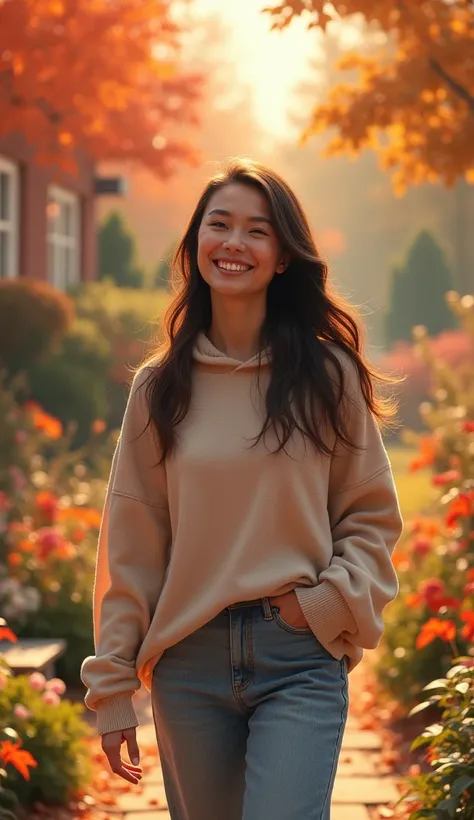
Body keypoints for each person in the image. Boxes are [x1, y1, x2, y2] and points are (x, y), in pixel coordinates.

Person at [81, 158, 403, 820]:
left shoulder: (326, 376)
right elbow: (133, 547)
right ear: (195, 242)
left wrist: (319, 608)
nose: (234, 244)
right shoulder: (159, 387)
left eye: (257, 231)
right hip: (188, 667)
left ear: (283, 256)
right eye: (218, 225)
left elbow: (371, 518)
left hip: (297, 660)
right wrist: (113, 685)